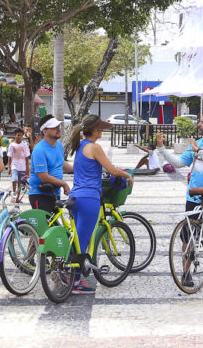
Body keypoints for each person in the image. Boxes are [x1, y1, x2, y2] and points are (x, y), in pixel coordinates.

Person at [158, 112, 203, 286]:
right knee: (189, 236)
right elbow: (178, 164)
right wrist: (162, 149)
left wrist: (199, 151)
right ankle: (186, 272)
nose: (199, 124)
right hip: (194, 196)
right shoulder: (196, 144)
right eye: (200, 121)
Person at [67, 115, 132, 295]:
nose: (102, 131)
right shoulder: (94, 147)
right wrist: (127, 175)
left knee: (78, 237)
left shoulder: (80, 146)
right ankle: (76, 280)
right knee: (83, 240)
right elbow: (111, 170)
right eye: (100, 129)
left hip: (76, 196)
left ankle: (71, 274)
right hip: (89, 198)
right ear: (95, 130)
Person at [27, 116, 72, 211]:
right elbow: (44, 177)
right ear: (45, 131)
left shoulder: (58, 145)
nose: (59, 129)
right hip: (40, 195)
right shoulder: (39, 149)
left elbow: (61, 163)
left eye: (58, 126)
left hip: (55, 193)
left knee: (55, 225)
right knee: (45, 226)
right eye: (54, 127)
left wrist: (79, 169)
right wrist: (63, 184)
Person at [8, 128, 30, 203]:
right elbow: (9, 156)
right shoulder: (12, 145)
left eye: (21, 135)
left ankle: (17, 198)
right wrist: (9, 167)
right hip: (14, 165)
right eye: (18, 135)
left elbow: (27, 157)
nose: (19, 137)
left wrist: (27, 168)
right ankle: (13, 196)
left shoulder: (24, 145)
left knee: (20, 184)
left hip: (22, 167)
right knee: (14, 180)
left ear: (22, 136)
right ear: (15, 136)